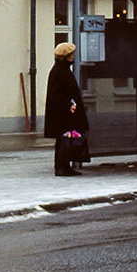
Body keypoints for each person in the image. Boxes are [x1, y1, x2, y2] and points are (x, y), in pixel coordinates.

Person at [44, 42, 89, 177]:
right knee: (63, 139)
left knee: (66, 139)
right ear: (66, 56)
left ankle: (65, 166)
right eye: (71, 54)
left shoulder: (62, 69)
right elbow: (55, 94)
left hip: (66, 112)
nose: (74, 56)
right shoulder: (59, 71)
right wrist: (68, 104)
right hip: (63, 113)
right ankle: (61, 167)